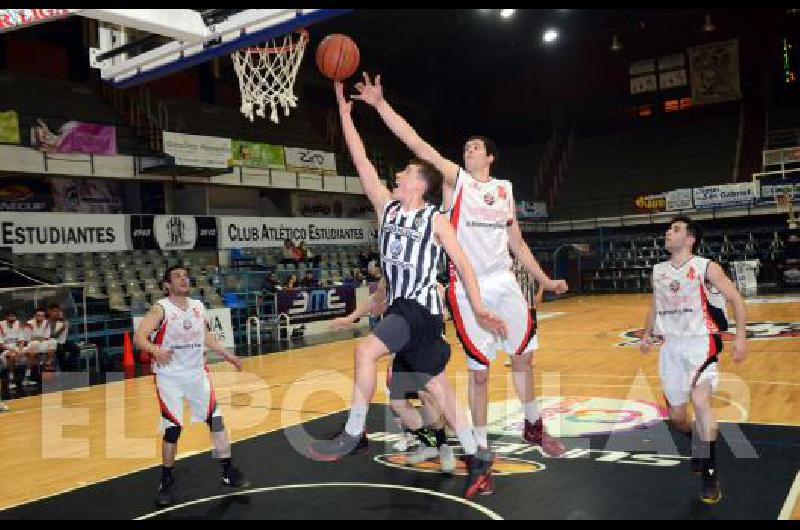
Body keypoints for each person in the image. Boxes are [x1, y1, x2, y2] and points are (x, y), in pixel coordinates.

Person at [352, 73, 569, 472]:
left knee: (524, 359)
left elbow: (517, 243)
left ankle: (534, 425)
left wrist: (544, 280)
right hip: (470, 288)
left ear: (490, 157)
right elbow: (415, 143)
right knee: (480, 373)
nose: (468, 149)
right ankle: (480, 448)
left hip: (504, 280)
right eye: (466, 146)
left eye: (476, 147)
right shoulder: (457, 181)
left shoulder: (504, 189)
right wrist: (380, 105)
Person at [307, 81, 508, 499]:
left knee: (365, 352)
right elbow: (359, 157)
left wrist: (479, 307)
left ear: (420, 184)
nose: (396, 175)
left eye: (405, 173)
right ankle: (476, 461)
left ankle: (354, 432)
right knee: (434, 389)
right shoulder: (386, 207)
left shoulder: (437, 220)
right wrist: (345, 112)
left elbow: (465, 266)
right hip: (406, 313)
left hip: (419, 310)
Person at [640, 216, 747, 504]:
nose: (667, 233)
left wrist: (740, 337)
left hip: (702, 343)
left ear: (690, 239)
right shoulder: (659, 270)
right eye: (668, 229)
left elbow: (736, 299)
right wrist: (647, 333)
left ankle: (710, 473)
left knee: (701, 404)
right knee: (677, 417)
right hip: (671, 348)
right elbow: (655, 304)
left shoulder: (706, 268)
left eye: (675, 229)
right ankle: (700, 445)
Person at [134, 265, 249, 507]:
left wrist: (227, 355)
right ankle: (166, 480)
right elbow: (139, 337)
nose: (184, 279)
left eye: (186, 275)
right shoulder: (161, 308)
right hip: (169, 377)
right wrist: (155, 350)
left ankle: (228, 471)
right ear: (167, 285)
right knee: (173, 429)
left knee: (216, 421)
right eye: (177, 276)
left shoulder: (198, 306)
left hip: (197, 374)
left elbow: (205, 336)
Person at [330, 279, 456, 473]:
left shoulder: (424, 277)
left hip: (426, 343)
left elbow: (446, 300)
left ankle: (443, 446)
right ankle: (429, 442)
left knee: (425, 395)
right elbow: (375, 299)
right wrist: (350, 318)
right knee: (397, 402)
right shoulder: (389, 278)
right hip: (402, 349)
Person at [21, 307, 56, 385]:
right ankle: (27, 377)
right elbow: (27, 339)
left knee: (53, 342)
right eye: (38, 315)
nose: (40, 317)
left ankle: (47, 365)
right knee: (34, 347)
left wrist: (38, 338)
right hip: (30, 344)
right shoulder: (29, 323)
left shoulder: (46, 323)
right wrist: (39, 338)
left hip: (41, 344)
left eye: (42, 316)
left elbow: (47, 337)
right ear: (34, 316)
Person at [48, 303, 79, 372]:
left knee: (75, 348)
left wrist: (63, 319)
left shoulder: (61, 320)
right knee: (61, 351)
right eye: (55, 311)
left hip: (62, 342)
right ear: (49, 311)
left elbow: (70, 329)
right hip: (52, 343)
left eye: (58, 311)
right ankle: (65, 369)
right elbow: (52, 336)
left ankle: (68, 367)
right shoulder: (48, 322)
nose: (57, 313)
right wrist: (62, 328)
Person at [0, 310, 23, 393]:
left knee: (29, 353)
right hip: (5, 349)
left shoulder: (18, 324)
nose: (12, 318)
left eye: (13, 316)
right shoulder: (1, 325)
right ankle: (11, 377)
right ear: (6, 317)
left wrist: (20, 350)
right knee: (12, 355)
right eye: (10, 316)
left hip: (16, 348)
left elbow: (21, 340)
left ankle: (26, 377)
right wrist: (13, 350)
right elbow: (1, 345)